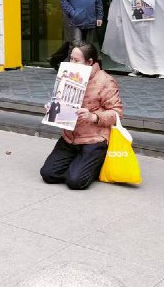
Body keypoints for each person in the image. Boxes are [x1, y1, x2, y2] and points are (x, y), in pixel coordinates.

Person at [40, 43, 123, 190]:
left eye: (76, 60)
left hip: (94, 139)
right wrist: (53, 108)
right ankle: (79, 164)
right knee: (48, 174)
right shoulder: (68, 76)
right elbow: (62, 102)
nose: (72, 63)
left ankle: (96, 163)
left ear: (90, 62)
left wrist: (94, 117)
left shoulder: (105, 81)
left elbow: (117, 113)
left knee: (75, 181)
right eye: (71, 59)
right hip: (70, 137)